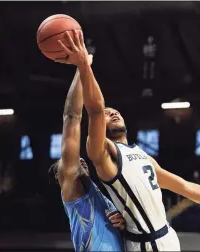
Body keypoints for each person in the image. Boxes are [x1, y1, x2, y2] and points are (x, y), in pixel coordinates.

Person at [55, 29, 200, 252]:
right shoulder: (103, 153)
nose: (112, 113)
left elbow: (185, 187)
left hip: (167, 237)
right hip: (145, 245)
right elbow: (92, 110)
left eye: (116, 112)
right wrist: (84, 66)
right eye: (107, 113)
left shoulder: (142, 156)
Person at [48, 50, 125, 252]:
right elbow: (72, 116)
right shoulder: (73, 193)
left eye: (81, 159)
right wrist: (82, 68)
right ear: (61, 177)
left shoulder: (101, 194)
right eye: (72, 161)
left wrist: (122, 221)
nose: (79, 160)